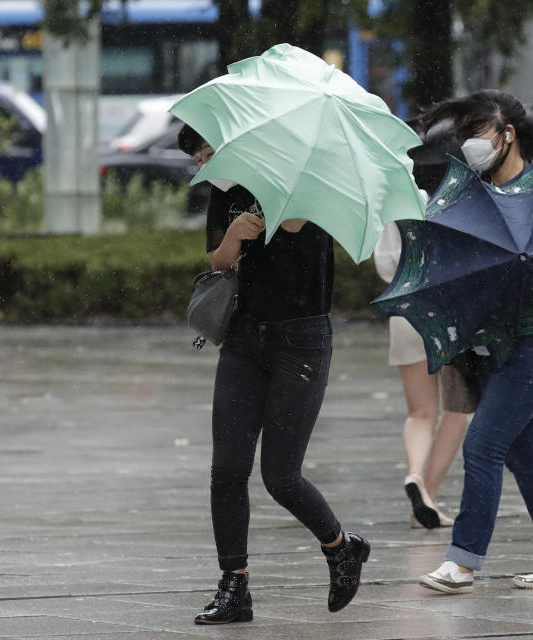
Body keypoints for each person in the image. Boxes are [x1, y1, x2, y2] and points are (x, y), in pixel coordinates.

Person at [177, 124, 370, 623]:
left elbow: (294, 226)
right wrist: (235, 237)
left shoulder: (305, 177)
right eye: (198, 157)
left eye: (207, 151)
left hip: (301, 341)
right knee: (226, 470)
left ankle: (339, 547)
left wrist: (270, 198)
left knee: (281, 476)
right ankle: (234, 587)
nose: (204, 163)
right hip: (243, 338)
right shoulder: (225, 193)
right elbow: (219, 262)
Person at [414, 91, 533, 594]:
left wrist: (523, 279)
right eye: (464, 134)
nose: (470, 144)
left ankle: (462, 563)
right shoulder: (476, 192)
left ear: (507, 135)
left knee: (483, 447)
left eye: (478, 132)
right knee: (526, 456)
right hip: (492, 348)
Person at [373, 223, 469, 529]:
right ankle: (427, 495)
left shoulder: (397, 196)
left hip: (407, 306)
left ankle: (414, 474)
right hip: (452, 309)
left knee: (420, 412)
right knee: (457, 410)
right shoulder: (460, 198)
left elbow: (385, 263)